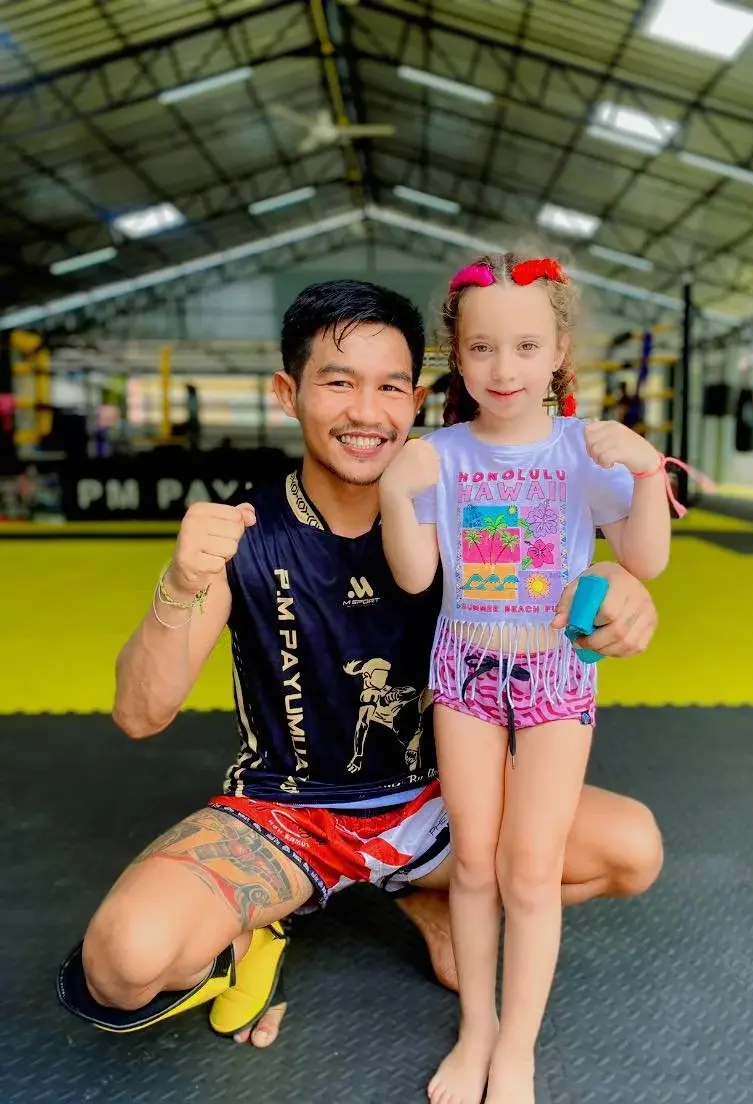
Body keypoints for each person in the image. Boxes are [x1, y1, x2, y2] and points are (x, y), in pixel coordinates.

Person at [55, 279, 663, 1062]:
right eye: (339, 383)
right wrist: (178, 583)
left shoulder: (455, 499)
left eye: (390, 388)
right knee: (123, 963)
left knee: (633, 849)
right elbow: (141, 714)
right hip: (287, 812)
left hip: (437, 806)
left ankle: (425, 893)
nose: (367, 413)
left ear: (418, 399)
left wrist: (616, 588)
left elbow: (553, 576)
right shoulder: (246, 530)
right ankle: (261, 928)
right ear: (288, 393)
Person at [379, 253, 672, 1104]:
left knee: (532, 867)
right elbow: (412, 576)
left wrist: (646, 471)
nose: (503, 368)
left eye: (525, 346)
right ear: (458, 356)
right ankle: (476, 1030)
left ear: (559, 353)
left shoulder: (583, 450)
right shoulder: (442, 456)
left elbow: (645, 559)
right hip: (464, 669)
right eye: (482, 348)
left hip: (555, 674)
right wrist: (398, 491)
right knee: (475, 862)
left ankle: (517, 1048)